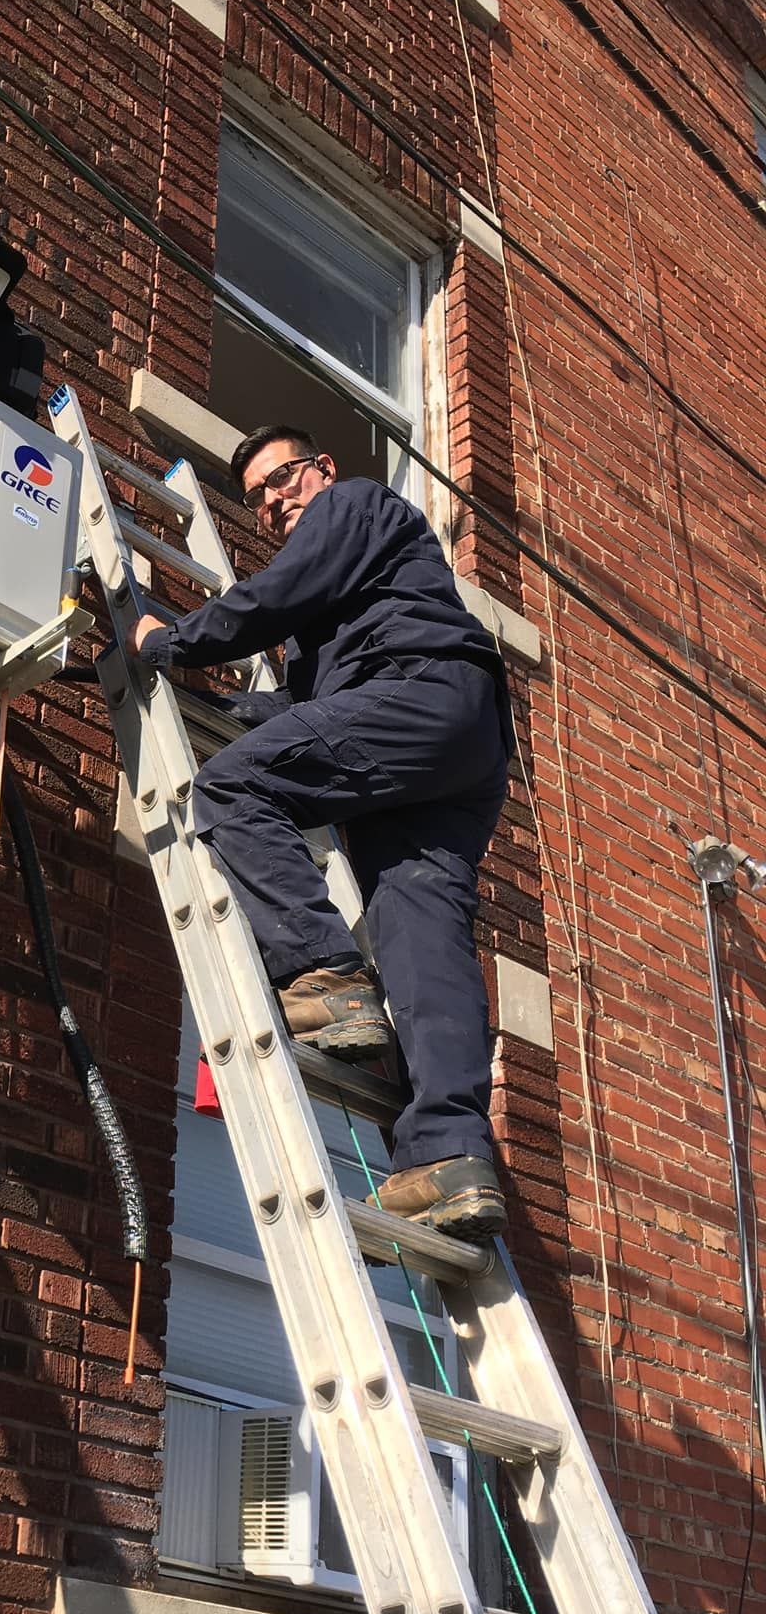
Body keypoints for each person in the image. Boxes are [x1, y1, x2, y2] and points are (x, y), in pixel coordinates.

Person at [129, 425, 513, 1243]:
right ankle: (449, 1156)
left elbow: (275, 596)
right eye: (259, 500)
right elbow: (303, 713)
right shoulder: (338, 615)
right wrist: (218, 704)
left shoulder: (355, 504)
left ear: (324, 467)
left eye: (284, 479)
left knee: (232, 787)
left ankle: (326, 979)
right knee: (419, 931)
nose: (274, 502)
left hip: (421, 692)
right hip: (450, 745)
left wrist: (168, 642)